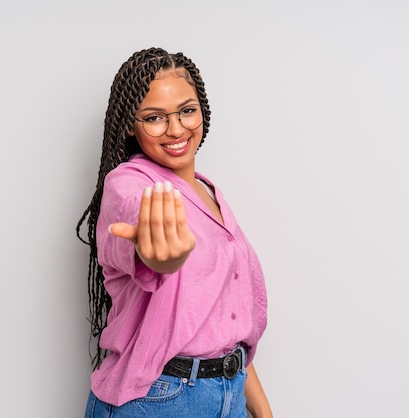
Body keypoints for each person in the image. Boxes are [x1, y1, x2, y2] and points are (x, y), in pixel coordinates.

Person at [76, 47, 273, 417]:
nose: (177, 128)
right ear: (131, 126)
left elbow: (220, 324)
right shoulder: (129, 186)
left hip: (228, 394)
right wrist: (157, 256)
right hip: (161, 399)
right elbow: (145, 237)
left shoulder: (209, 192)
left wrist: (261, 409)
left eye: (187, 110)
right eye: (154, 117)